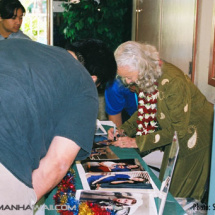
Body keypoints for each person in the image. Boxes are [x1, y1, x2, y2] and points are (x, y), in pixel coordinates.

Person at [0, 38, 116, 215]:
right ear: (94, 79)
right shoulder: (84, 82)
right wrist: (22, 203)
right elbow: (58, 162)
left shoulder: (17, 43)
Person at [108, 41, 214, 202]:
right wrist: (124, 130)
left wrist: (136, 142)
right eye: (124, 78)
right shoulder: (147, 74)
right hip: (174, 139)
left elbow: (179, 131)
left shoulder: (173, 81)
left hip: (195, 140)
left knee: (177, 197)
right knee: (165, 190)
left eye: (129, 77)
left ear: (141, 65)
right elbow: (144, 111)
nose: (129, 82)